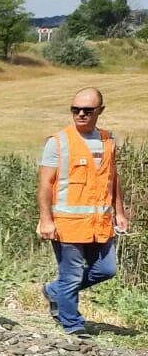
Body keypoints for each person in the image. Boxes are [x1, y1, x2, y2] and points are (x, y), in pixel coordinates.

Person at [36, 88, 130, 338]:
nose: (80, 114)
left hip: (100, 223)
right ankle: (73, 325)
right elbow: (45, 183)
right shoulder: (58, 142)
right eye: (75, 109)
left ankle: (55, 291)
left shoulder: (108, 141)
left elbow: (113, 179)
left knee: (107, 269)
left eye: (87, 110)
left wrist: (120, 212)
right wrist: (46, 220)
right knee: (72, 274)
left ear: (100, 110)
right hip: (67, 223)